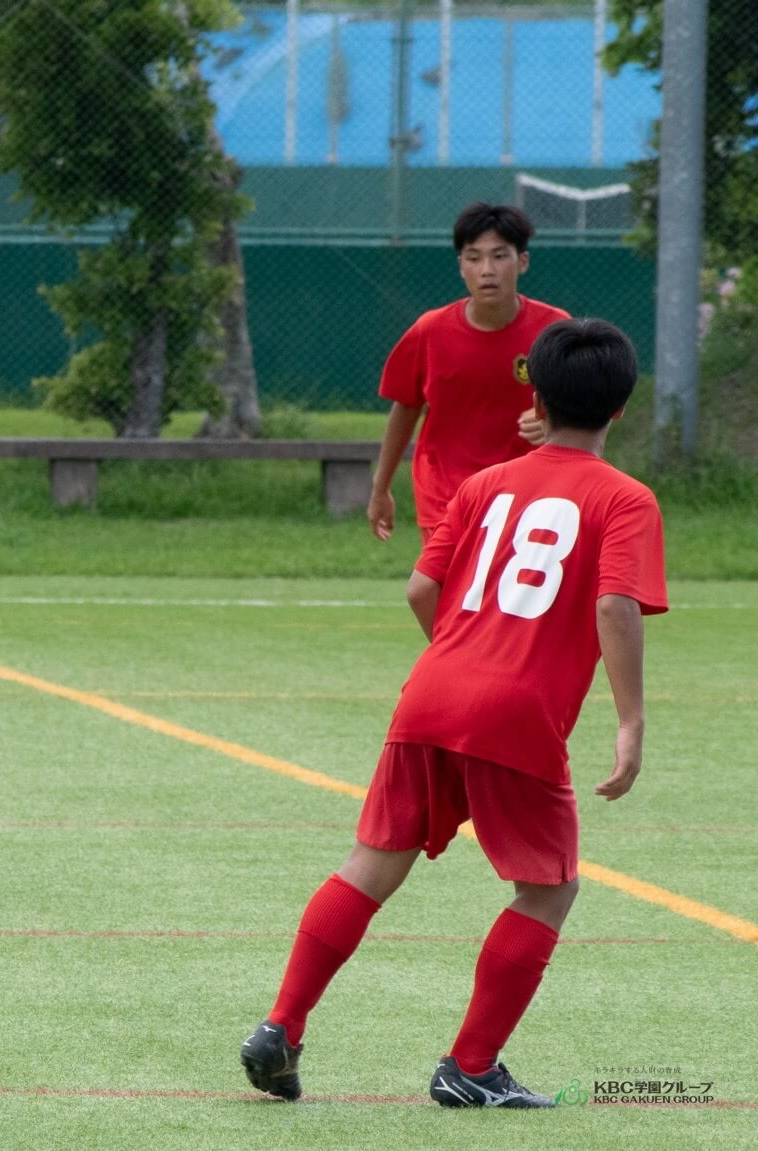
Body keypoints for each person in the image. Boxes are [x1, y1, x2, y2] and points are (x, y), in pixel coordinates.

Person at [241, 319, 664, 1108]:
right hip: (514, 714)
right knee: (548, 890)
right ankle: (470, 1066)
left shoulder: (485, 484)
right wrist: (631, 720)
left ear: (537, 400)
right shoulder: (625, 498)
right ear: (619, 408)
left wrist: (465, 658)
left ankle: (280, 1025)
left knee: (371, 863)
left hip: (430, 691)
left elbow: (419, 589)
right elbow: (614, 604)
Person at [370, 203, 569, 541]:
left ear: (522, 261)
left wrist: (554, 420)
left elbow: (587, 405)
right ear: (461, 266)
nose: (487, 270)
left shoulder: (555, 330)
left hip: (529, 499)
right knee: (441, 578)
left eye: (499, 256)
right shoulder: (429, 331)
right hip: (445, 498)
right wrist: (380, 488)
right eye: (474, 258)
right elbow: (405, 407)